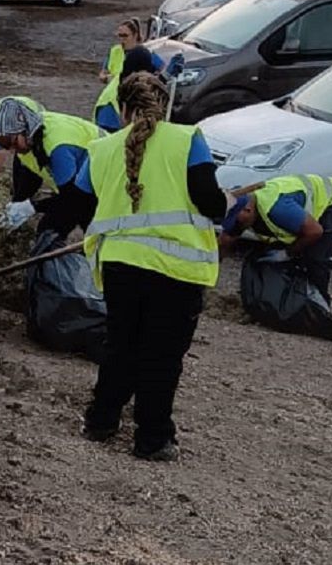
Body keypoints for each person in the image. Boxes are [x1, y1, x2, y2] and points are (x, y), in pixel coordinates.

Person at [70, 72, 228, 462]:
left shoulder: (100, 149)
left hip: (121, 265)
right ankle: (152, 438)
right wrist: (225, 205)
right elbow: (209, 200)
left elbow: (76, 203)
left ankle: (101, 421)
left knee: (121, 346)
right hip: (177, 268)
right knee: (161, 355)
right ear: (165, 105)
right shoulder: (187, 139)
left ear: (122, 109)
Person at [220, 176, 332, 302]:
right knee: (267, 254)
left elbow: (315, 232)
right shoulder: (247, 209)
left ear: (248, 210)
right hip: (299, 208)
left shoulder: (277, 209)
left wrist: (288, 253)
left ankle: (319, 304)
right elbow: (228, 237)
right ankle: (284, 297)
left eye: (237, 222)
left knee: (314, 257)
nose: (237, 227)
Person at [0, 97, 101, 234]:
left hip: (107, 183)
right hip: (85, 186)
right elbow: (31, 175)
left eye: (13, 142)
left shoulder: (57, 147)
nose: (14, 150)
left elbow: (73, 199)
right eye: (7, 146)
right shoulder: (29, 141)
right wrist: (17, 203)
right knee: (50, 230)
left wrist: (32, 207)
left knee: (70, 231)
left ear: (24, 127)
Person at [93, 19, 162, 132]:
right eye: (119, 35)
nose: (121, 39)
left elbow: (159, 71)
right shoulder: (115, 51)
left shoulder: (143, 53)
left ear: (135, 35)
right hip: (109, 101)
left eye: (125, 35)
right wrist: (106, 78)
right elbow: (103, 72)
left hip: (128, 102)